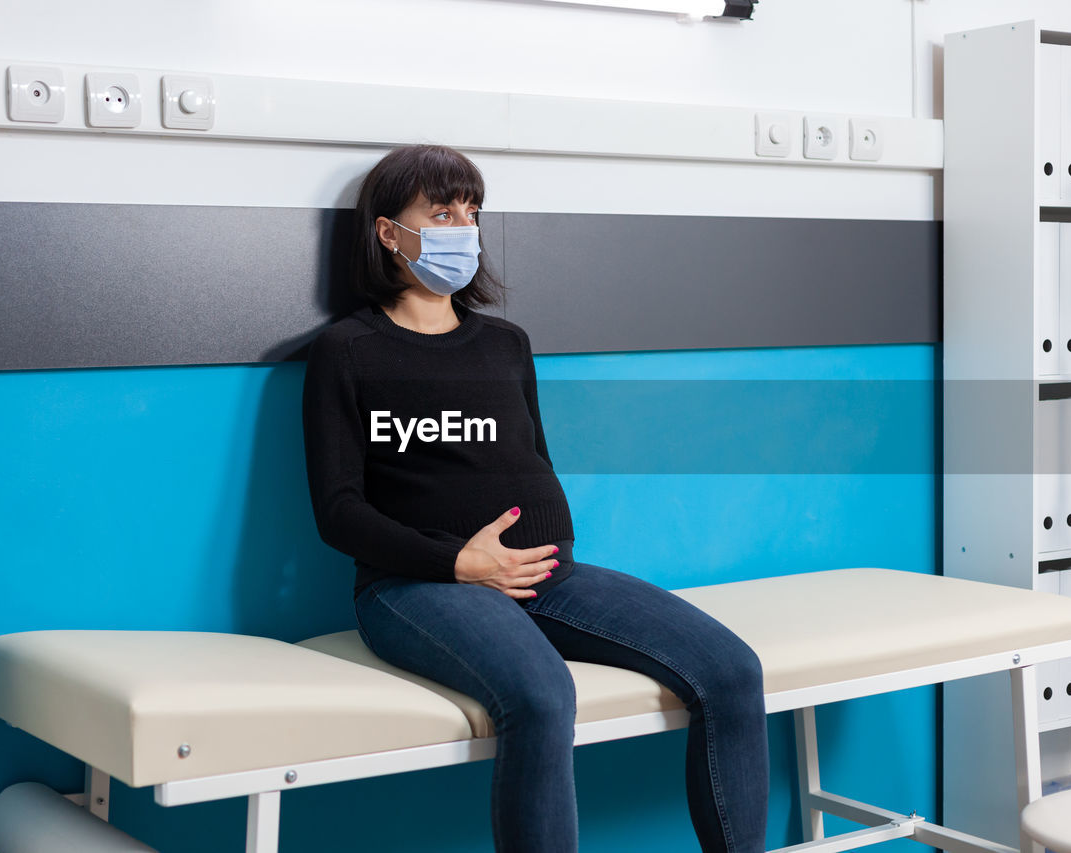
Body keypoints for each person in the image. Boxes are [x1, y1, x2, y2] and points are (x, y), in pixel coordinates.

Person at [302, 144, 768, 853]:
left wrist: (541, 554)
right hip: (417, 586)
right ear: (389, 232)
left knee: (732, 669)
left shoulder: (506, 344)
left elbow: (530, 459)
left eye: (472, 211)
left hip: (549, 576)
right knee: (544, 697)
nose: (463, 224)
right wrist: (458, 560)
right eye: (442, 210)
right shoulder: (347, 350)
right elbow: (337, 508)